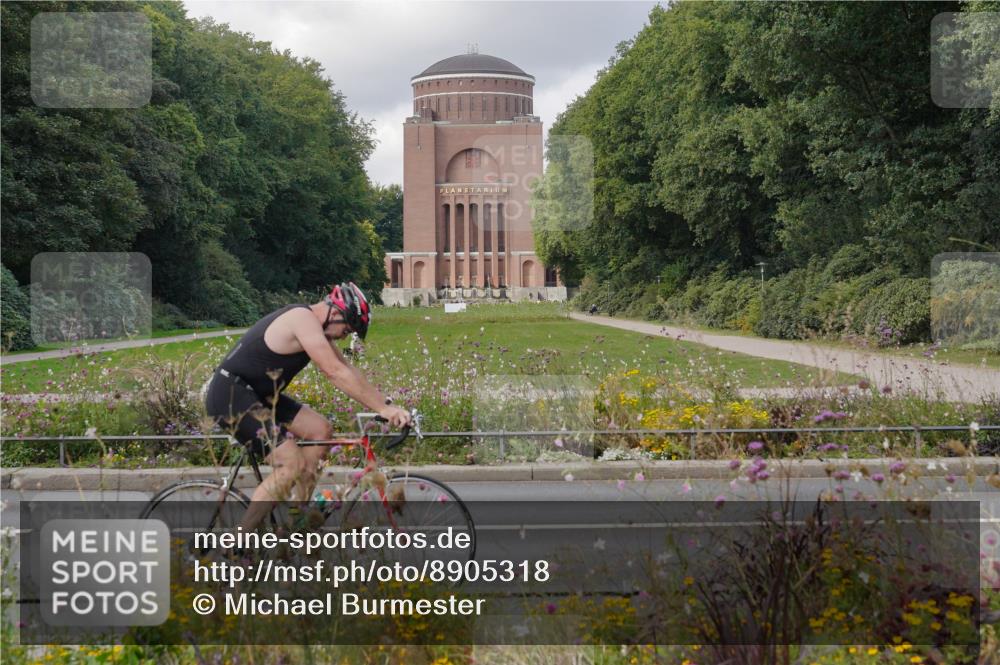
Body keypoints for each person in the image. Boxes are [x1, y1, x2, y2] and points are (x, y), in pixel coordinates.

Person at [204, 281, 411, 531]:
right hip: (231, 394)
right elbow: (333, 371)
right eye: (347, 328)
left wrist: (386, 404)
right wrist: (383, 410)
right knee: (291, 464)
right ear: (335, 313)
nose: (346, 335)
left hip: (262, 396)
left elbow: (348, 370)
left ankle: (296, 516)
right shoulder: (302, 320)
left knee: (321, 430)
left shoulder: (316, 326)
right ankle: (239, 540)